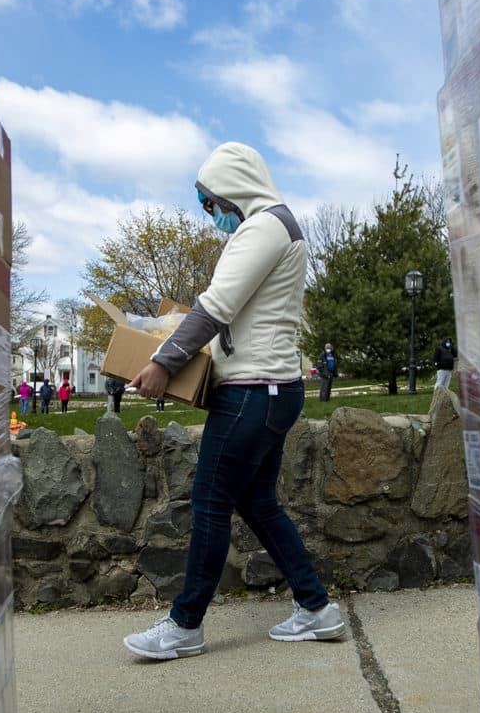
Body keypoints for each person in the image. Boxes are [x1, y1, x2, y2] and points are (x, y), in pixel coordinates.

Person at [125, 142, 343, 660]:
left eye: (211, 202)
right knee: (258, 502)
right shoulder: (273, 226)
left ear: (232, 187)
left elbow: (216, 307)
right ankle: (317, 609)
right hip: (271, 389)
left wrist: (163, 361)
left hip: (253, 392)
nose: (211, 215)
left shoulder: (264, 226)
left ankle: (184, 626)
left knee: (210, 503)